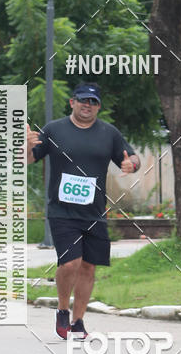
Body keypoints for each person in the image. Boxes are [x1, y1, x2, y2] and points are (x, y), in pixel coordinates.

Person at [26, 82, 140, 340]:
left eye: (93, 102)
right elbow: (30, 158)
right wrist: (26, 144)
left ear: (98, 106)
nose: (87, 106)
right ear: (72, 103)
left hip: (95, 212)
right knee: (70, 263)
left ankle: (78, 322)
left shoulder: (109, 133)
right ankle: (63, 310)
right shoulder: (54, 129)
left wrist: (131, 163)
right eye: (83, 101)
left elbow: (131, 157)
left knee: (88, 267)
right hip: (62, 211)